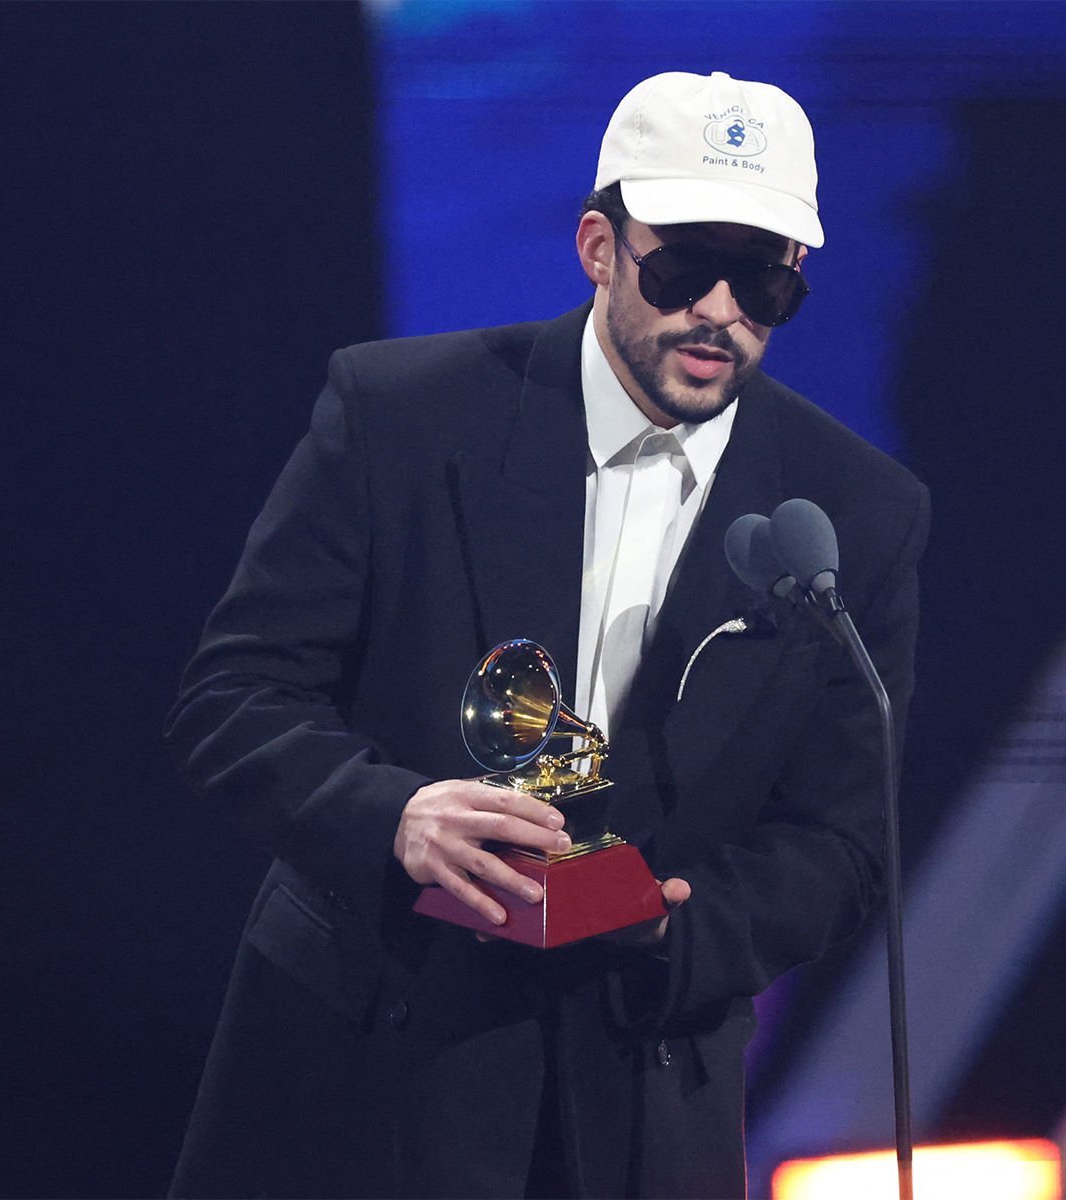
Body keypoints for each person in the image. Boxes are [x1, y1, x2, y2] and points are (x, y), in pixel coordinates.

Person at [165, 71, 928, 1199]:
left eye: (763, 278)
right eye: (684, 265)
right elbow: (232, 700)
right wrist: (396, 817)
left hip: (638, 1087)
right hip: (372, 1067)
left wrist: (678, 930)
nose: (720, 307)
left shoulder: (853, 511)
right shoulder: (401, 417)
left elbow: (842, 841)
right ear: (598, 246)